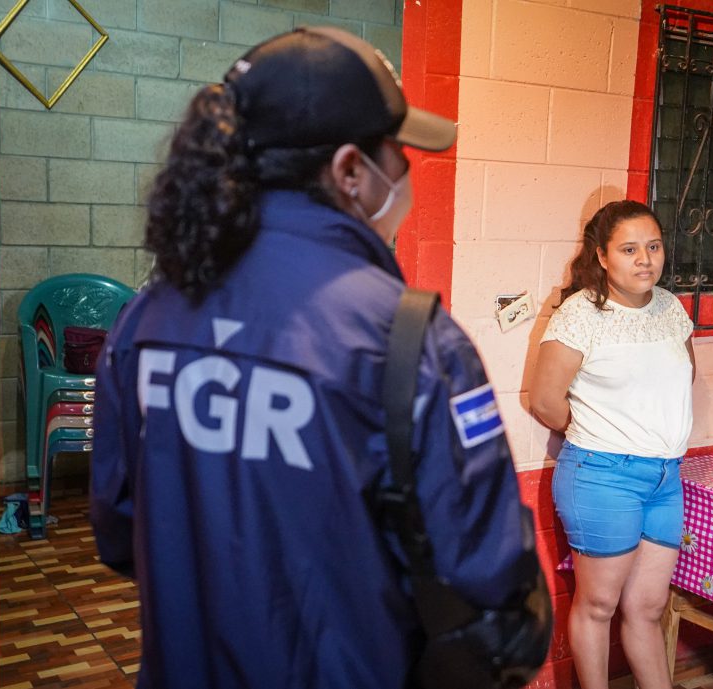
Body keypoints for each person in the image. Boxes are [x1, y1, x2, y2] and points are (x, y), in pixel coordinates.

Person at [90, 26, 549, 689]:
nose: (405, 172)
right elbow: (494, 594)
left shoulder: (147, 318)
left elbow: (119, 532)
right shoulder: (409, 340)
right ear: (350, 171)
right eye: (397, 152)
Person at [529, 200, 695, 689]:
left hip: (665, 478)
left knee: (647, 607)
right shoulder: (580, 315)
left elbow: (684, 377)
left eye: (653, 247)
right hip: (602, 476)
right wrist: (601, 431)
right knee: (598, 605)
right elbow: (545, 401)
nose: (645, 259)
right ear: (602, 256)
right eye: (629, 249)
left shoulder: (671, 308)